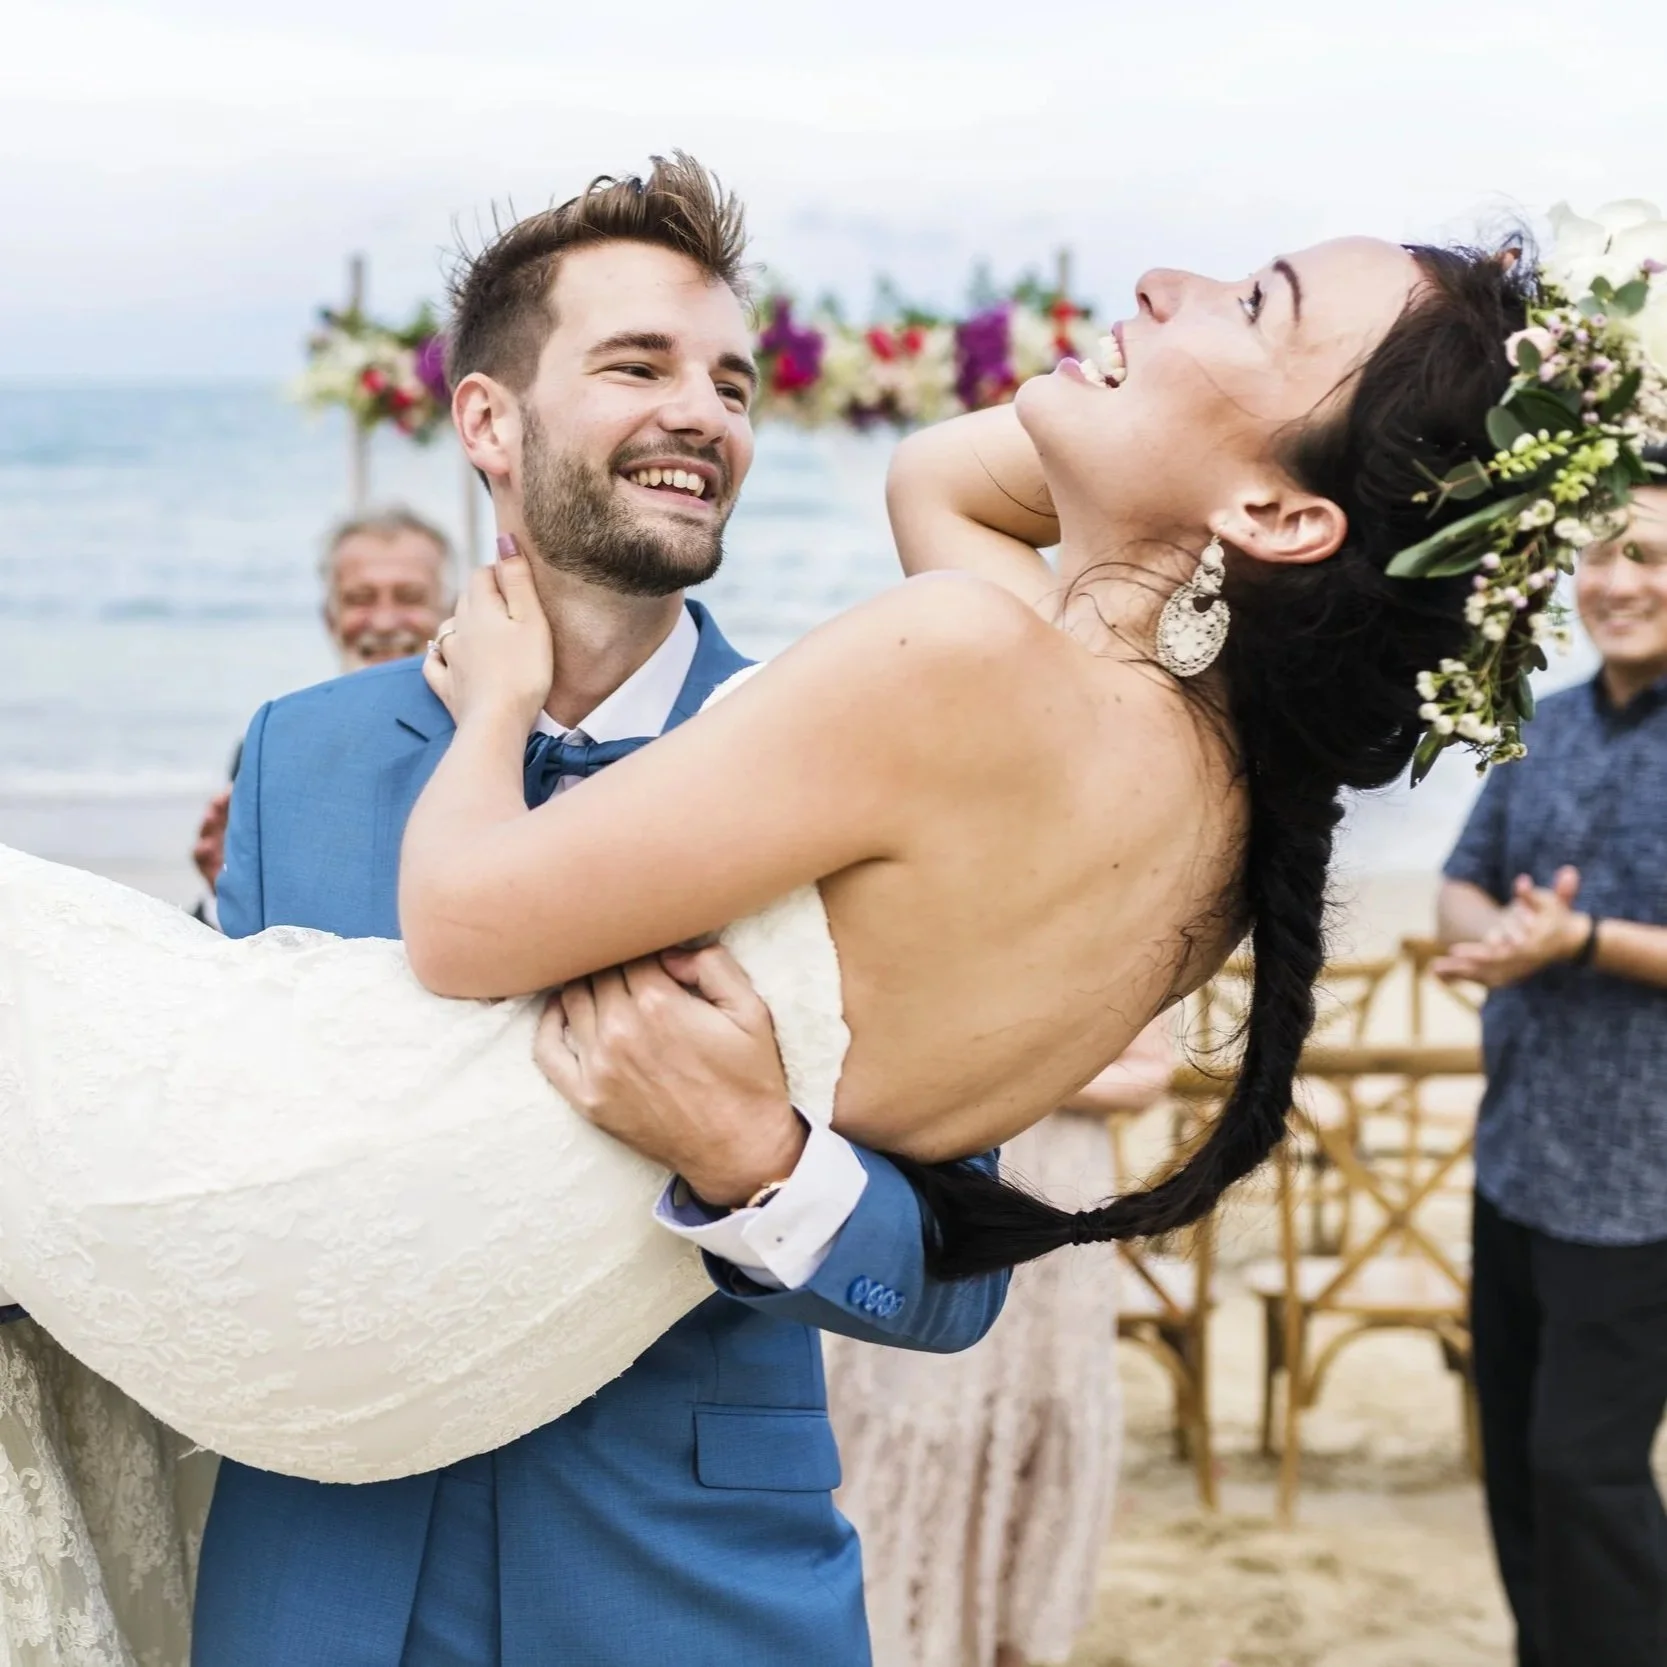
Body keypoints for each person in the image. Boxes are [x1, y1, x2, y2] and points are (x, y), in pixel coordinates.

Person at [0, 148, 1535, 1664]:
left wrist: (762, 1161)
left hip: (669, 1586)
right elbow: (223, 1110)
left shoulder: (903, 713)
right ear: (483, 415)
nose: (702, 411)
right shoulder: (301, 750)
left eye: (733, 383)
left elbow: (946, 1284)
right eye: (639, 363)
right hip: (323, 1580)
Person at [1435, 448, 1667, 1667]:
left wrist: (1577, 939)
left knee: (1587, 1470)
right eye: (1593, 553)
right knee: (1520, 1462)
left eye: (1646, 556)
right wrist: (1499, 944)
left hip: (1642, 1187)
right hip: (1516, 1155)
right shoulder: (1542, 722)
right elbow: (1459, 885)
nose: (1612, 582)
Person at [825, 1020, 1174, 1667]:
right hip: (927, 1172)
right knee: (906, 1404)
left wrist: (1000, 1076)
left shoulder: (1099, 917)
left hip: (1055, 1194)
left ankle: (1014, 1636)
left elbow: (1145, 1074)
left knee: (1043, 1405)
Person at [187, 508, 455, 921]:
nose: (383, 622)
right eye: (359, 600)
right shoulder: (269, 751)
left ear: (450, 612)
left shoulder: (493, 735)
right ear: (330, 619)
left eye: (409, 598)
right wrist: (225, 892)